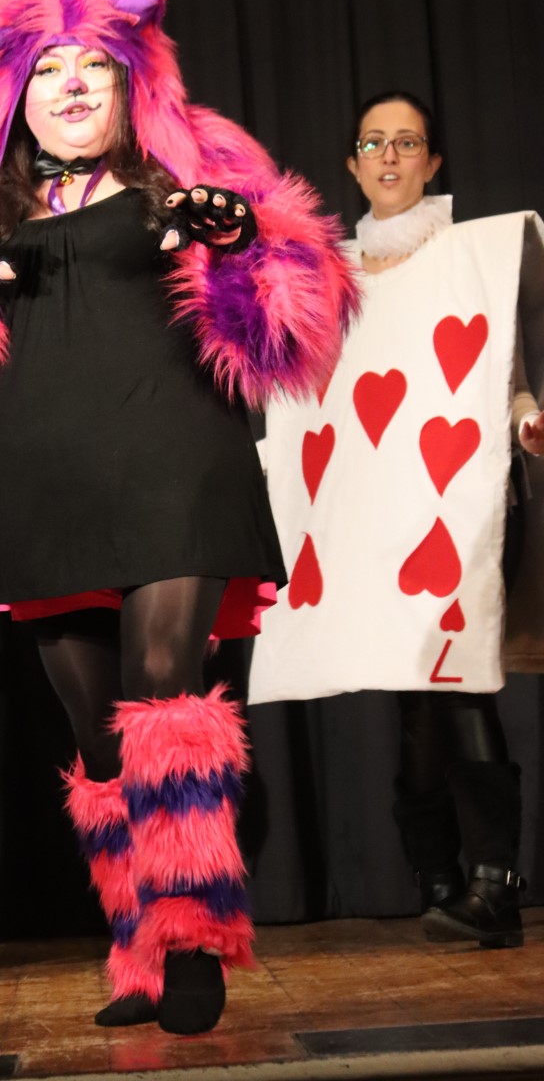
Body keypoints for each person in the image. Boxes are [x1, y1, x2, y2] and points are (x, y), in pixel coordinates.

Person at [0, 0, 358, 1035]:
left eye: (92, 65)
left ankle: (195, 929)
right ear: (12, 91)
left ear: (132, 81)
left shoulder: (194, 167)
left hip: (177, 460)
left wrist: (237, 247)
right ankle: (138, 945)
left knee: (163, 679)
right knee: (97, 733)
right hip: (46, 478)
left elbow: (298, 319)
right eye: (48, 67)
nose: (71, 84)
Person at [249, 91, 544, 950]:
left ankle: (492, 884)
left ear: (432, 161)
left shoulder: (471, 257)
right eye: (374, 143)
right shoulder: (321, 279)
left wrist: (527, 420)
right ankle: (439, 872)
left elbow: (503, 379)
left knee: (457, 677)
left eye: (406, 142)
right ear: (352, 163)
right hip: (371, 518)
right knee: (418, 698)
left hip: (462, 506)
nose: (389, 156)